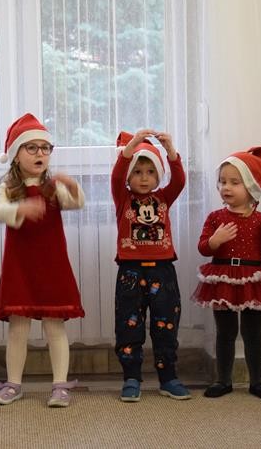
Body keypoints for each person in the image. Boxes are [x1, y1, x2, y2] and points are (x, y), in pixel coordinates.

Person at [0, 113, 85, 407]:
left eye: (45, 148)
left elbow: (76, 203)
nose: (40, 153)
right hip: (20, 267)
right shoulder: (8, 187)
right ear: (16, 155)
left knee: (55, 326)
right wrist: (21, 209)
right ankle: (13, 384)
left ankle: (60, 386)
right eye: (32, 147)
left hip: (52, 265)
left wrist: (73, 187)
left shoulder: (52, 185)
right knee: (18, 327)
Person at [191, 147, 261, 400]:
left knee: (252, 333)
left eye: (235, 182)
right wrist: (215, 240)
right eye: (223, 181)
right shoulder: (215, 217)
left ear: (251, 187)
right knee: (225, 333)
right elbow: (203, 247)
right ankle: (223, 380)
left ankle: (258, 382)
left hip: (253, 279)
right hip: (223, 278)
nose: (226, 187)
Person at [111, 129, 191, 402]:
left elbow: (179, 180)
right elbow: (116, 176)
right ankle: (131, 378)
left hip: (162, 270)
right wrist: (132, 146)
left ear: (158, 176)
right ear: (128, 176)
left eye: (150, 172)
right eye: (137, 172)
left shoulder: (164, 198)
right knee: (128, 326)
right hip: (131, 272)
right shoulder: (123, 199)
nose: (144, 178)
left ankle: (168, 378)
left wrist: (170, 152)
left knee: (165, 325)